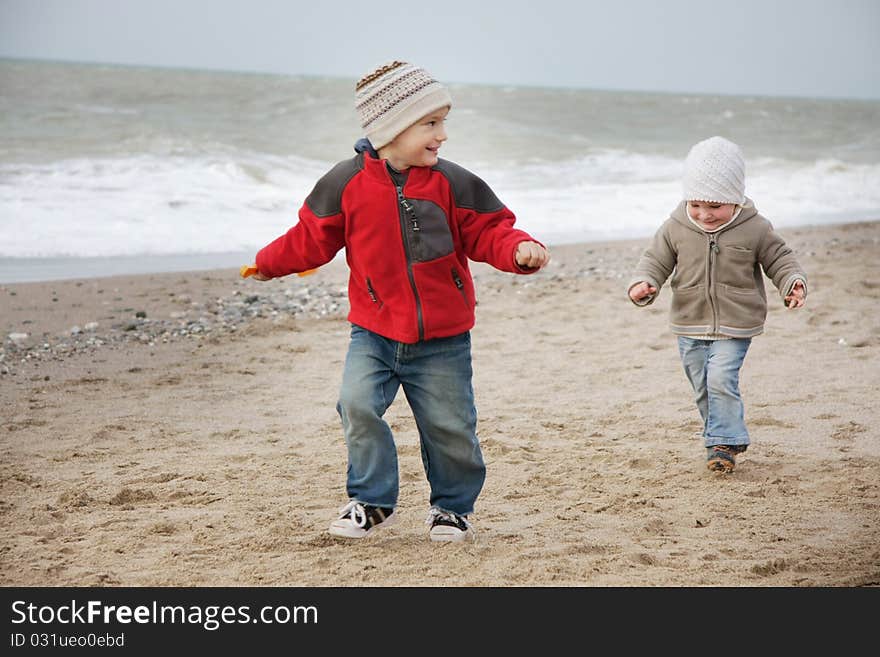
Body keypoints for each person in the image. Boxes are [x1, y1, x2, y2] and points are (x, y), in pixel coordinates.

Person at [250, 61, 550, 540]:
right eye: (431, 123)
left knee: (451, 427)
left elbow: (490, 230)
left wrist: (518, 250)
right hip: (373, 330)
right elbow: (310, 238)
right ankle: (371, 501)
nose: (443, 135)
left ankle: (451, 508)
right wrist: (266, 263)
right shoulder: (344, 183)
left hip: (443, 337)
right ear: (390, 128)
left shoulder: (453, 182)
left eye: (443, 122)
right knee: (356, 405)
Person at [627, 136, 806, 473]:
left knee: (721, 378)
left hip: (736, 322)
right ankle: (727, 435)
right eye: (696, 204)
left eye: (714, 206)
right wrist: (643, 284)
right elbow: (655, 261)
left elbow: (780, 259)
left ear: (735, 199)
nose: (704, 214)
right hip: (689, 320)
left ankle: (720, 444)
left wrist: (792, 282)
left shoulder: (755, 228)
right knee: (701, 385)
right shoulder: (675, 227)